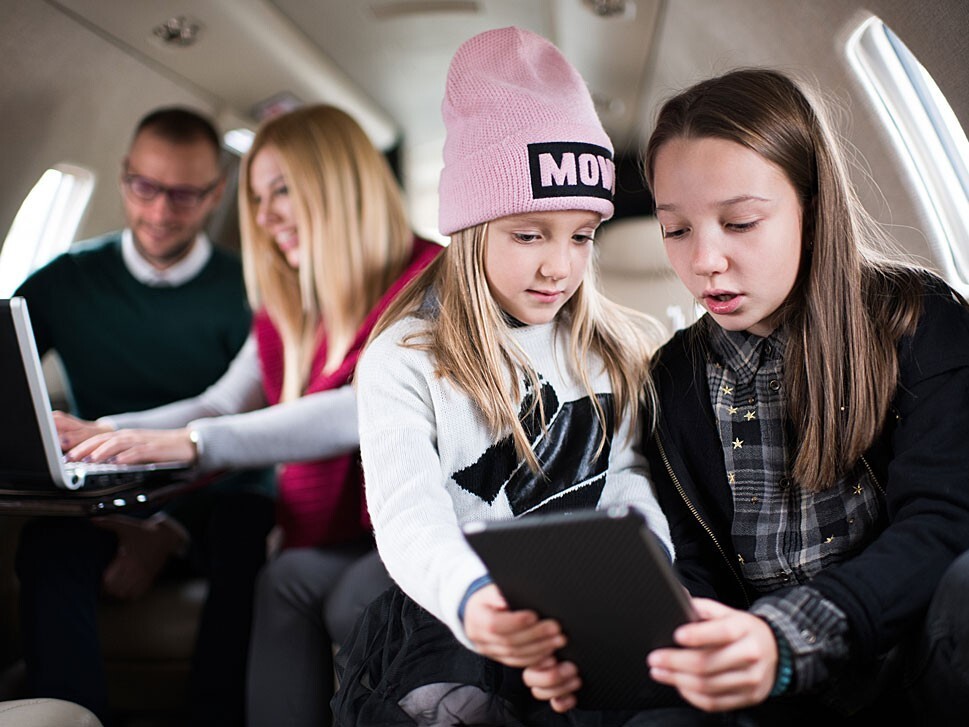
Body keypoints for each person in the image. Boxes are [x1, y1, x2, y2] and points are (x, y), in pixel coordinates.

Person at [523, 68, 969, 726]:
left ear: (810, 212)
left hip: (904, 659)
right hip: (755, 683)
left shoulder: (918, 320)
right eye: (675, 230)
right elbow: (690, 559)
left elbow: (940, 523)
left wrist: (785, 634)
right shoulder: (670, 378)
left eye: (739, 222)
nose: (704, 260)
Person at [331, 27, 674, 727]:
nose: (559, 266)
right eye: (529, 234)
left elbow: (629, 470)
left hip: (593, 607)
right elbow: (409, 517)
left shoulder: (613, 347)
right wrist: (470, 600)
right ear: (469, 230)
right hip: (458, 612)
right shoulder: (407, 357)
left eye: (581, 235)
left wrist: (645, 562)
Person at [60, 103, 442, 727]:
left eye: (282, 190)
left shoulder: (429, 281)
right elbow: (221, 401)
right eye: (258, 197)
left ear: (340, 184)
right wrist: (103, 433)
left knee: (345, 596)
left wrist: (193, 444)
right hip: (324, 538)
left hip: (407, 531)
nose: (264, 218)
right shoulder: (293, 302)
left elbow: (364, 410)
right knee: (282, 575)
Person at [13, 107, 276, 727]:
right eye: (145, 188)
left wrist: (168, 530)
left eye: (185, 195)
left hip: (217, 497)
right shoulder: (64, 281)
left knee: (247, 536)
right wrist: (126, 521)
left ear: (216, 193)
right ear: (124, 175)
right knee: (45, 546)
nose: (160, 212)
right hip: (104, 496)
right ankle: (71, 716)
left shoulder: (252, 290)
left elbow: (240, 427)